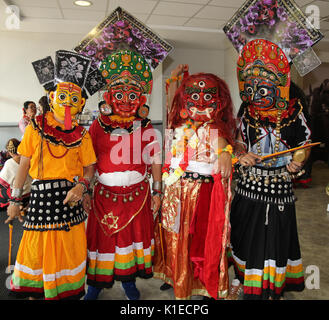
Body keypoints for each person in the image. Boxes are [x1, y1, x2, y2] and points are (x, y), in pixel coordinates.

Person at [5, 50, 103, 300]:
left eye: (74, 98)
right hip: (40, 198)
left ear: (81, 103)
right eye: (63, 96)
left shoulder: (82, 134)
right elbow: (24, 165)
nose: (68, 102)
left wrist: (82, 186)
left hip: (71, 198)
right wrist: (15, 199)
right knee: (37, 251)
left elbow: (90, 167)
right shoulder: (35, 128)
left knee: (70, 252)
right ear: (52, 97)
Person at [228, 39, 310, 300]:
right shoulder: (246, 110)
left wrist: (299, 158)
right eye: (249, 88)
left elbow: (305, 142)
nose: (255, 94)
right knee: (244, 236)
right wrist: (241, 155)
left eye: (261, 88)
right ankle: (244, 282)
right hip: (248, 187)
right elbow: (237, 141)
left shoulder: (294, 111)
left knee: (274, 239)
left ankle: (270, 288)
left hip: (279, 187)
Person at [153, 64, 236, 300]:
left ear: (218, 101)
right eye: (194, 97)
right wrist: (174, 79)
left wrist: (226, 154)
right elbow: (172, 103)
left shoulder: (216, 128)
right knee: (173, 236)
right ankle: (176, 276)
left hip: (199, 194)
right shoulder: (179, 126)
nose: (200, 103)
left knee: (194, 240)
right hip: (175, 191)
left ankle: (196, 280)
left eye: (207, 97)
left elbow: (223, 147)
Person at [84, 50, 162, 300]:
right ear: (108, 96)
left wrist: (158, 191)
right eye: (119, 95)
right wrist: (85, 188)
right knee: (104, 243)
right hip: (105, 195)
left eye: (132, 95)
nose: (126, 101)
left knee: (131, 244)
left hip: (138, 195)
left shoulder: (146, 125)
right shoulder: (98, 125)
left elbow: (156, 159)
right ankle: (96, 286)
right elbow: (89, 161)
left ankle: (129, 283)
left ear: (140, 98)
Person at [0, 138, 32, 209]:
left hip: (19, 196)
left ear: (9, 152)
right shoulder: (29, 159)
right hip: (31, 193)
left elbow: (2, 182)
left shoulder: (9, 163)